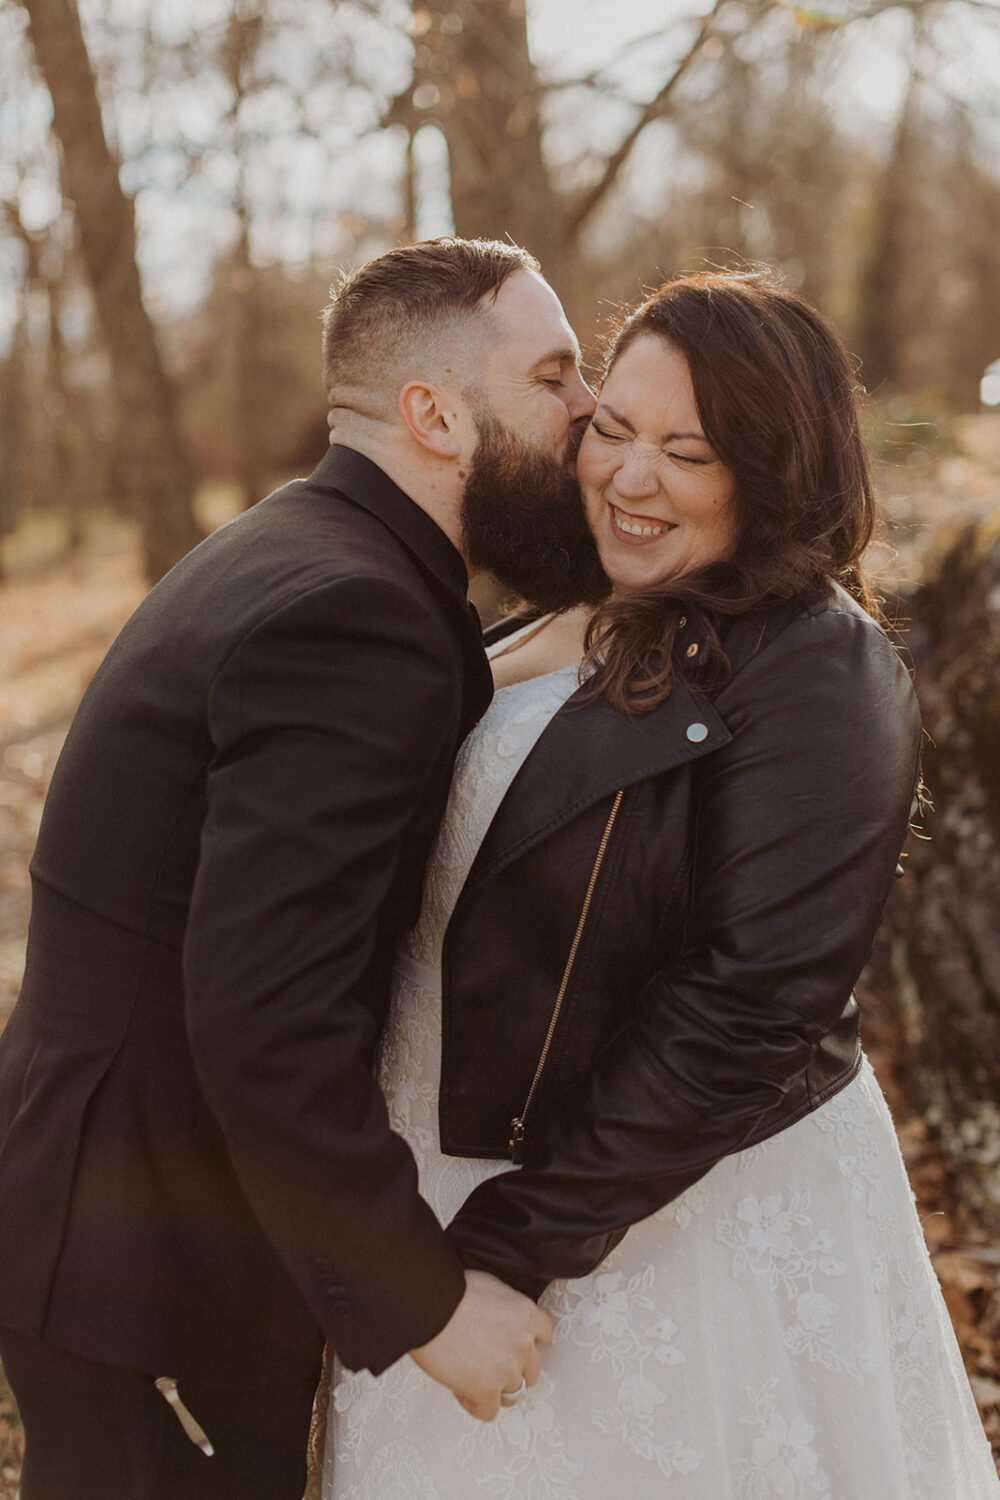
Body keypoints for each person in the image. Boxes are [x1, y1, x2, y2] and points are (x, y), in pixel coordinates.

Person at [325, 272, 1000, 1497]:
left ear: (773, 467)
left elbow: (745, 1006)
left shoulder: (818, 672)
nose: (628, 480)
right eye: (614, 431)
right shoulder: (568, 607)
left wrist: (503, 1253)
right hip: (444, 1173)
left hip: (661, 1229)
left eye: (685, 452)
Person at [0, 236, 608, 1500]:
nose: (588, 408)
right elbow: (263, 1014)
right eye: (555, 377)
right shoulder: (357, 618)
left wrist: (515, 660)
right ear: (434, 415)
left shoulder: (311, 548)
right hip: (152, 1264)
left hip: (104, 1209)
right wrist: (424, 1302)